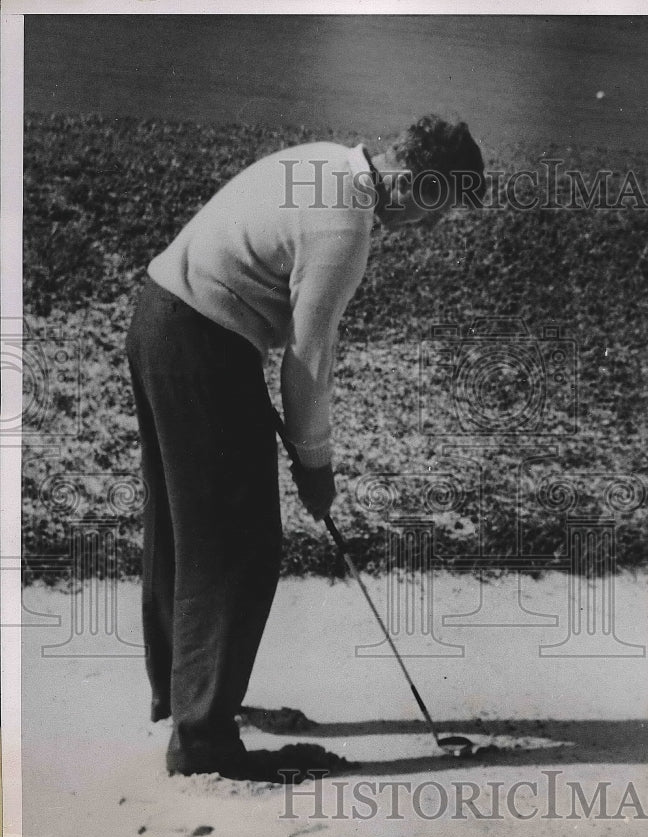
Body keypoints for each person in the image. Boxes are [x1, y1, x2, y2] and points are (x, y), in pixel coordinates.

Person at [126, 114, 485, 780]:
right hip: (200, 341)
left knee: (185, 525)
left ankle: (185, 699)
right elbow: (308, 361)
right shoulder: (344, 227)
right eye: (438, 208)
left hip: (160, 318)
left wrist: (302, 450)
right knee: (241, 542)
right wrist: (315, 467)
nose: (430, 226)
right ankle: (202, 741)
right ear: (416, 181)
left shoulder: (328, 161)